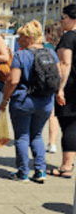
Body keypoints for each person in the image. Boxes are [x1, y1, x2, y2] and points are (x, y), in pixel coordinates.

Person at [0, 20, 59, 183]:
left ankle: (23, 173)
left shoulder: (21, 55)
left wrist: (5, 100)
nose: (18, 40)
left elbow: (13, 81)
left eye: (21, 37)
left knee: (22, 137)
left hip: (23, 101)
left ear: (30, 39)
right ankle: (40, 171)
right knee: (38, 135)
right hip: (45, 101)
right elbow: (57, 76)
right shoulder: (51, 54)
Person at [49, 4, 76, 178]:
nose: (60, 21)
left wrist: (60, 89)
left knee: (69, 125)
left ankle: (66, 166)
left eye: (63, 17)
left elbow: (64, 64)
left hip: (71, 87)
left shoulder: (68, 38)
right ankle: (69, 163)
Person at [45, 23, 64, 153]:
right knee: (54, 116)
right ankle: (52, 143)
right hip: (62, 82)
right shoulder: (63, 47)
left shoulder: (46, 48)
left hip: (47, 83)